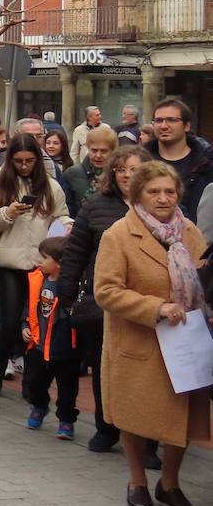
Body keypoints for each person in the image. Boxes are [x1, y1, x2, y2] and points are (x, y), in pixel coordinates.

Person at [94, 160, 209, 506]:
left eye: (170, 191)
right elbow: (106, 291)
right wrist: (156, 307)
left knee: (183, 416)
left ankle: (170, 484)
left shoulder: (189, 231)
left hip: (186, 342)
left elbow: (204, 278)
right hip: (139, 340)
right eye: (154, 191)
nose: (163, 198)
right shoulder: (118, 235)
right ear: (136, 194)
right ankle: (137, 480)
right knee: (136, 416)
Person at [57, 146, 151, 452]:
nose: (126, 175)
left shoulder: (159, 205)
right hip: (103, 306)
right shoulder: (96, 206)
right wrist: (68, 296)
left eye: (133, 169)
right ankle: (106, 427)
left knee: (144, 374)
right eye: (121, 169)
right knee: (103, 367)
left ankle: (146, 439)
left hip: (147, 305)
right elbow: (75, 253)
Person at [0, 134, 71, 397]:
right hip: (8, 261)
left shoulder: (52, 187)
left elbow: (62, 216)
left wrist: (67, 225)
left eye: (29, 161)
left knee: (37, 324)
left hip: (40, 265)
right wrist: (8, 213)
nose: (24, 166)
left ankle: (31, 380)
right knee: (6, 323)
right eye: (18, 161)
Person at [22, 236, 82, 440]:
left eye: (44, 258)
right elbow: (29, 307)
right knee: (33, 383)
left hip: (66, 348)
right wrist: (25, 325)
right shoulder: (38, 280)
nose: (39, 261)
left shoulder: (73, 285)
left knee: (68, 390)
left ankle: (66, 420)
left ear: (60, 263)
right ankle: (39, 406)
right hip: (39, 345)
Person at [145, 98, 213, 216]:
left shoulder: (206, 163)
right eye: (159, 120)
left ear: (186, 126)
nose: (164, 126)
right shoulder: (141, 162)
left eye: (171, 120)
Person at [63, 123, 116, 212]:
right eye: (94, 150)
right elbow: (66, 209)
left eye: (104, 151)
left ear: (113, 151)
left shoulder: (120, 175)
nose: (98, 155)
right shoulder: (71, 175)